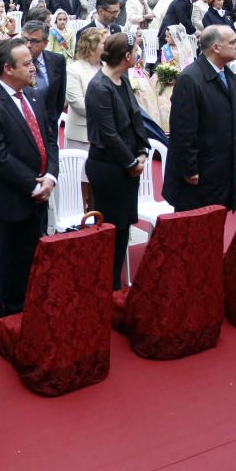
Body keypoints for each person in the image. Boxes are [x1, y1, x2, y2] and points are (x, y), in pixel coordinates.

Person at [0, 37, 58, 344]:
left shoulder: (33, 95)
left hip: (37, 195)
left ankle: (20, 308)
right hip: (3, 198)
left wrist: (51, 176)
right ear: (8, 68)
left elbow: (49, 140)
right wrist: (34, 184)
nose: (34, 67)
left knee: (27, 256)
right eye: (27, 63)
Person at [85, 33, 150, 289]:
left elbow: (136, 119)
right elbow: (109, 133)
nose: (138, 55)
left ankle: (113, 281)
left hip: (126, 165)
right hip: (109, 168)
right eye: (136, 51)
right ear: (126, 56)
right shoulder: (100, 86)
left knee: (123, 226)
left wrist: (142, 151)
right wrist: (132, 163)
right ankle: (105, 283)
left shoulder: (121, 80)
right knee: (110, 227)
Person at [163, 25, 236, 212]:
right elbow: (183, 130)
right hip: (200, 174)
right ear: (216, 47)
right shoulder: (190, 79)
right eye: (232, 42)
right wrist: (190, 169)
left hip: (221, 169)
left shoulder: (227, 75)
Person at [65, 27, 105, 207]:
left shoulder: (107, 67)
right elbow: (78, 104)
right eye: (104, 42)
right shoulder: (74, 69)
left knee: (100, 182)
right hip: (82, 135)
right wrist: (109, 112)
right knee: (82, 182)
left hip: (105, 134)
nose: (107, 45)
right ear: (92, 45)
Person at [21, 20, 67, 135]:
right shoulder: (11, 61)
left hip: (48, 129)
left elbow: (59, 98)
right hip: (20, 128)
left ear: (45, 43)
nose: (28, 45)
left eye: (34, 41)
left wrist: (51, 120)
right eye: (25, 39)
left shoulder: (57, 61)